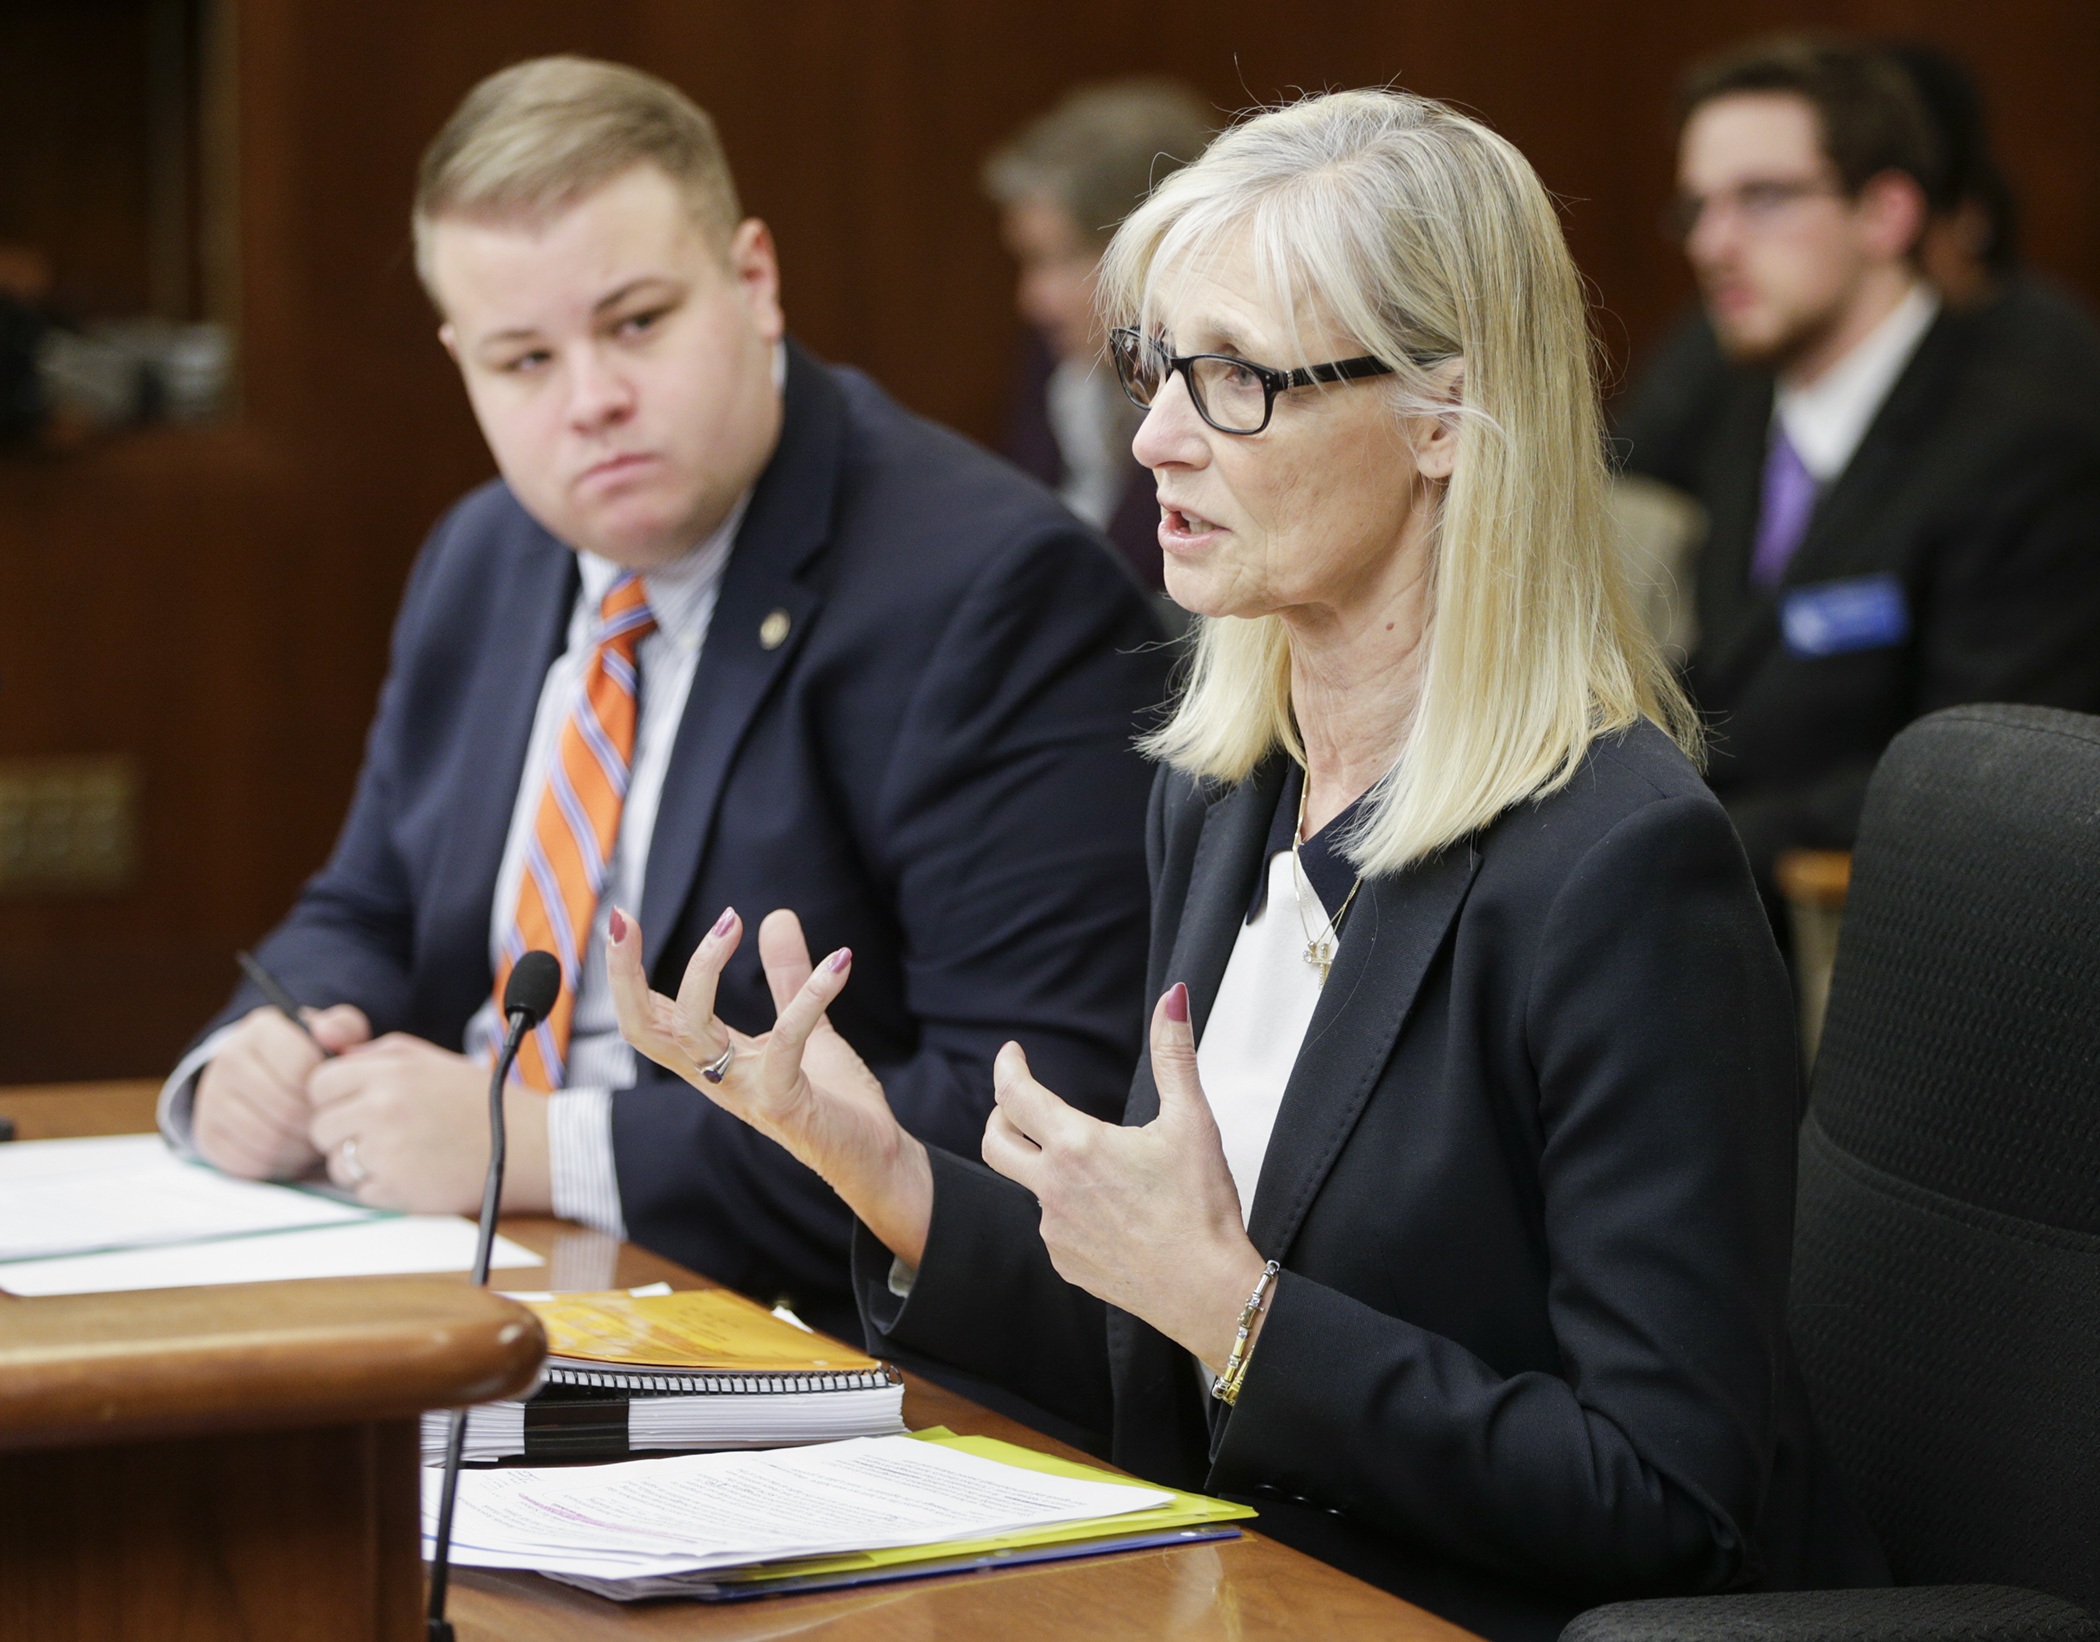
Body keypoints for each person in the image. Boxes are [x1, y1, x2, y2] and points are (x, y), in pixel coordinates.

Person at [607, 89, 1887, 1642]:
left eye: (1233, 382)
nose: (1153, 435)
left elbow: (1670, 1503)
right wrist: (879, 1168)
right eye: (1158, 367)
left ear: (1441, 418)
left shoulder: (1623, 868)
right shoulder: (1228, 794)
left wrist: (1239, 1311)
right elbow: (1170, 1344)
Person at [157, 57, 1167, 1337]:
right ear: (461, 360)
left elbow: (1033, 1116)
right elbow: (370, 901)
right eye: (523, 359)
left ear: (753, 281)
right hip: (454, 1287)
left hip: (790, 1338)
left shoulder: (990, 591)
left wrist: (548, 1148)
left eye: (636, 323)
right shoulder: (487, 552)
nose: (593, 404)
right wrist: (268, 1041)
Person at [1617, 36, 2100, 904]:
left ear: (1887, 213)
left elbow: (1981, 775)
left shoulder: (2026, 444)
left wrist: (1669, 836)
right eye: (1696, 210)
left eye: (1760, 199)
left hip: (1889, 942)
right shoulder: (1726, 409)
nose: (1713, 244)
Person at [984, 79, 1212, 593]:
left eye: (1059, 260)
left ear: (1149, 249)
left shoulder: (1220, 397)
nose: (1034, 301)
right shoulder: (1053, 364)